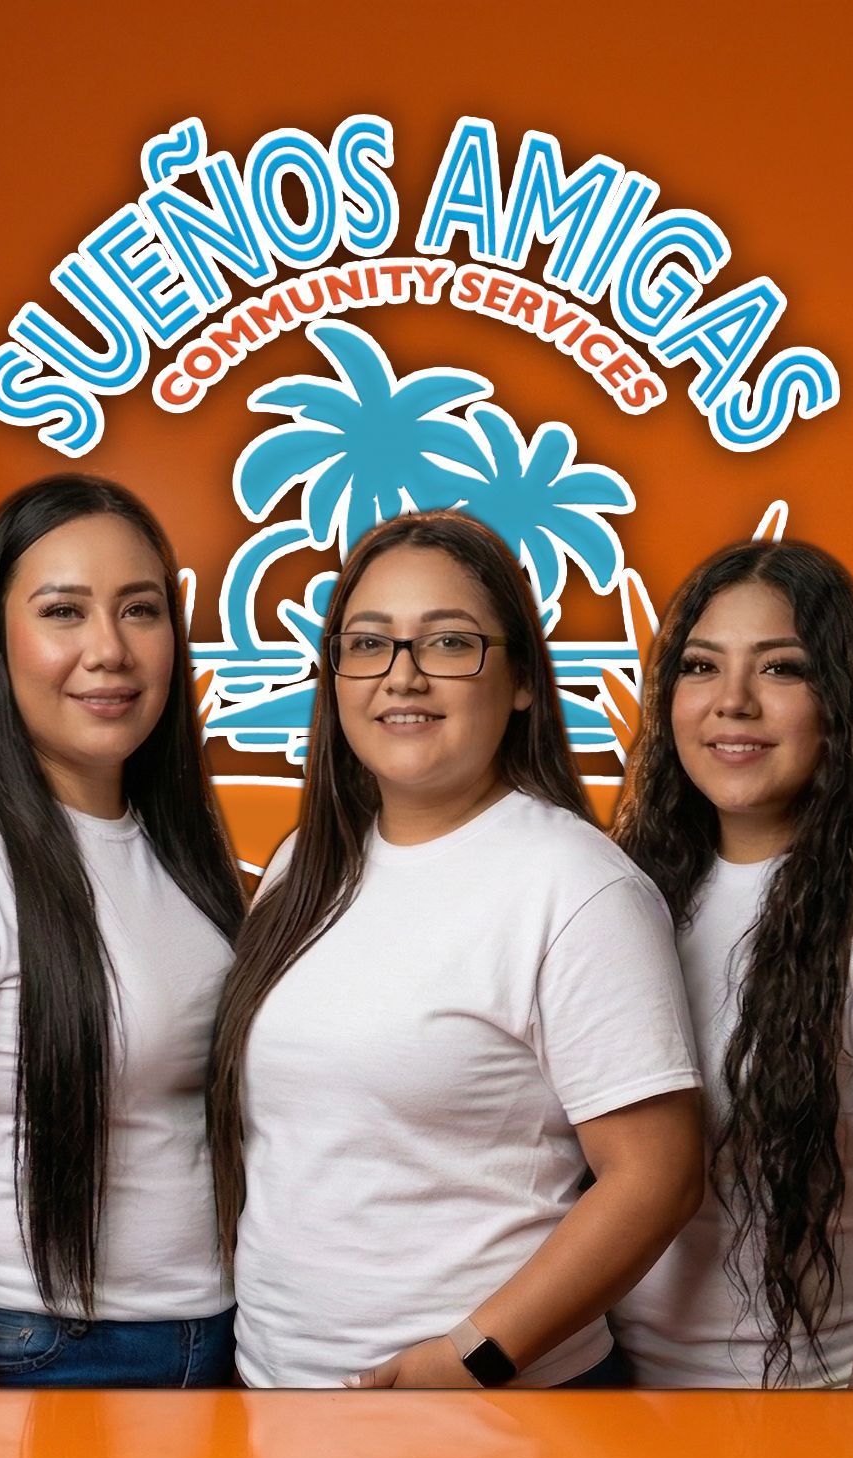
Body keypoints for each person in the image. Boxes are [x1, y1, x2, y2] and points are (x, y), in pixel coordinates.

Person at [209, 509, 703, 1389]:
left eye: (448, 643)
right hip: (279, 1397)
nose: (402, 678)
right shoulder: (302, 867)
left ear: (520, 680)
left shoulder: (575, 885)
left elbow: (657, 1178)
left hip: (491, 1410)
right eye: (369, 644)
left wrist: (473, 1358)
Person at [0, 474, 246, 1388]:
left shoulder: (180, 847)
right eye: (64, 612)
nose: (109, 651)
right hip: (31, 1355)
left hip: (216, 1346)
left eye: (141, 610)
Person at [610, 539, 853, 1389]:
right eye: (701, 667)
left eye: (781, 669)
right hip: (601, 1393)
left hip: (807, 1409)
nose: (732, 703)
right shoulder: (627, 882)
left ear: (838, 699)